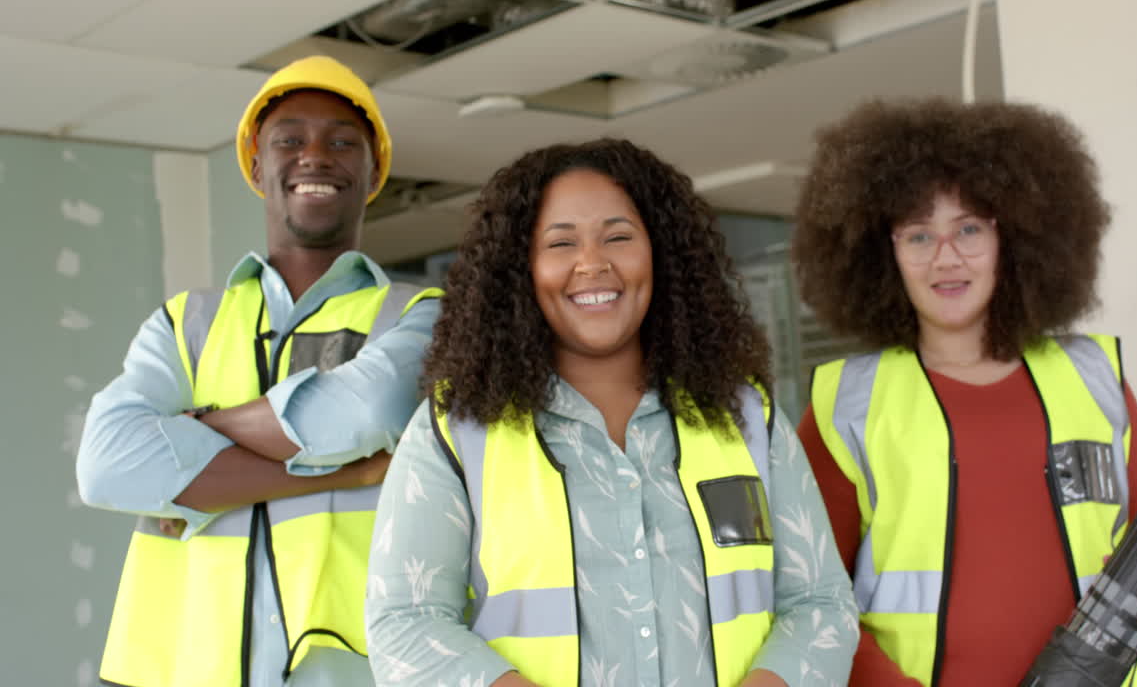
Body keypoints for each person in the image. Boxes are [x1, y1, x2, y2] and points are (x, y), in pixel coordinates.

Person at [365, 138, 858, 687]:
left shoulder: (746, 415)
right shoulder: (456, 428)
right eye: (560, 243)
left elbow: (820, 603)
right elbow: (405, 624)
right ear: (520, 268)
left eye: (618, 237)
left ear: (660, 253)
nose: (592, 263)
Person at [789, 99, 1137, 687]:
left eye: (969, 228)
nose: (945, 257)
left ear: (1016, 238)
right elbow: (811, 597)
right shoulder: (846, 402)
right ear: (885, 254)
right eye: (918, 235)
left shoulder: (1095, 378)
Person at [76, 55, 442, 687]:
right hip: (180, 670)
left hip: (344, 670)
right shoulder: (185, 323)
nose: (315, 156)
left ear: (375, 169)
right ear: (254, 165)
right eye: (289, 140)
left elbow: (359, 413)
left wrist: (194, 429)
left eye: (342, 142)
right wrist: (349, 471)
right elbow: (107, 463)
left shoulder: (418, 315)